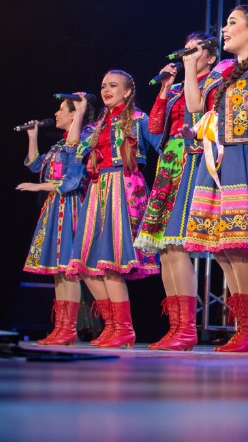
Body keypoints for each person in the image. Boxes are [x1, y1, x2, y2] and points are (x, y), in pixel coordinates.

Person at [183, 5, 248, 353]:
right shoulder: (222, 69)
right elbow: (196, 107)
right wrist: (188, 66)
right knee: (222, 250)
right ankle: (244, 327)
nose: (224, 29)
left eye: (232, 23)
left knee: (239, 247)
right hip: (219, 161)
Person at [134, 33, 218, 351]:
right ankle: (176, 327)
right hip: (169, 162)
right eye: (187, 47)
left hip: (193, 159)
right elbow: (155, 128)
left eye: (195, 48)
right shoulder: (177, 89)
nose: (188, 52)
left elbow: (208, 121)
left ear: (210, 57)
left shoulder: (212, 82)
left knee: (179, 244)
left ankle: (187, 329)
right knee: (166, 248)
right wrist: (165, 88)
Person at [66, 70, 162, 348]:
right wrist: (80, 112)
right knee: (86, 264)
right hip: (98, 190)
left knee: (111, 264)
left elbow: (163, 145)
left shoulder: (138, 119)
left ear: (128, 91)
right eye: (103, 86)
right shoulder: (98, 124)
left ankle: (124, 329)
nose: (106, 90)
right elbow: (73, 148)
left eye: (113, 86)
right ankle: (112, 326)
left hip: (123, 186)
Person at [16, 97, 95, 345]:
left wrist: (37, 187)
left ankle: (69, 328)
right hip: (54, 206)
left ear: (74, 115)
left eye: (61, 110)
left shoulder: (79, 144)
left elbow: (72, 181)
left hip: (70, 205)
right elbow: (35, 165)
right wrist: (32, 136)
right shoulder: (59, 146)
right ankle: (61, 327)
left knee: (68, 270)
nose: (56, 114)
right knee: (58, 273)